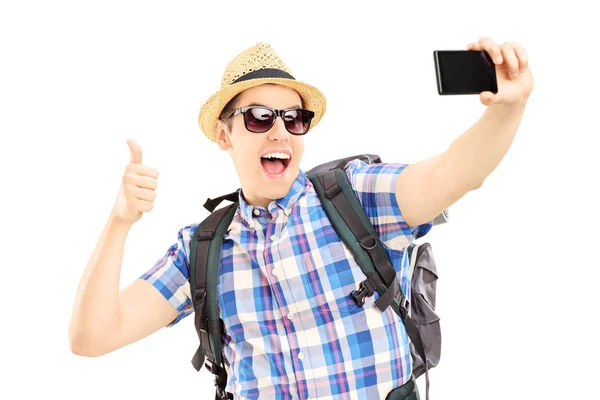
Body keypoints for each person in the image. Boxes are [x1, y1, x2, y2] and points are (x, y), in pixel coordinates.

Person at [68, 38, 534, 399]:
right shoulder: (202, 251)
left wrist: (509, 108)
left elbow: (455, 172)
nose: (279, 131)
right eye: (257, 117)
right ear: (223, 134)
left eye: (294, 118)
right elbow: (91, 337)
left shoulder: (356, 197)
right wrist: (119, 222)